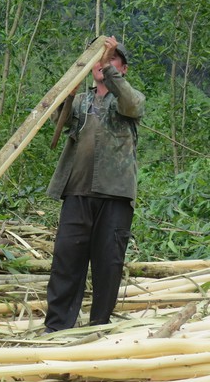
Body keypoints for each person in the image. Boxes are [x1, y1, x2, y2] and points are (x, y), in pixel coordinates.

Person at [44, 35, 145, 333]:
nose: (102, 64)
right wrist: (68, 95)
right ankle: (57, 328)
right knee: (66, 261)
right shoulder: (83, 100)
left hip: (115, 195)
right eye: (97, 59)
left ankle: (98, 328)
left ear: (122, 69)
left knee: (108, 264)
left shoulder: (128, 99)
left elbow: (133, 105)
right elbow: (58, 123)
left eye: (111, 59)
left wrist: (109, 69)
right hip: (76, 192)